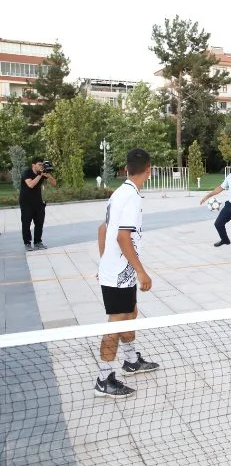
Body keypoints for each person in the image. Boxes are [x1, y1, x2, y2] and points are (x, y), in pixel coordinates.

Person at [95, 148, 159, 398]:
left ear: (126, 168)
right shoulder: (131, 197)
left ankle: (131, 360)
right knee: (116, 323)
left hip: (119, 271)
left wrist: (105, 263)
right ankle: (103, 379)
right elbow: (123, 237)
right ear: (149, 169)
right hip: (121, 272)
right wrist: (141, 272)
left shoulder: (120, 192)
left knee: (130, 313)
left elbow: (103, 228)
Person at [19, 158, 57, 251]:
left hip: (38, 202)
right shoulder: (27, 173)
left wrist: (48, 175)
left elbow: (54, 183)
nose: (41, 166)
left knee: (39, 223)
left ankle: (38, 242)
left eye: (42, 165)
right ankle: (27, 243)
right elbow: (31, 185)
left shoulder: (42, 173)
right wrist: (40, 175)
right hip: (26, 202)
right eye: (39, 164)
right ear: (33, 165)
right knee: (26, 223)